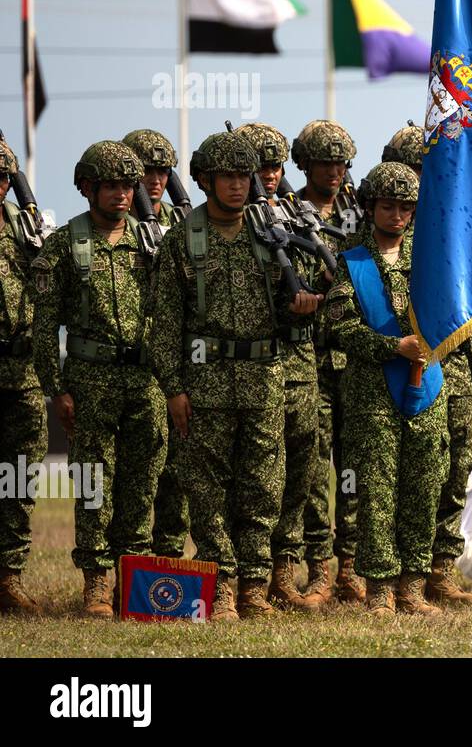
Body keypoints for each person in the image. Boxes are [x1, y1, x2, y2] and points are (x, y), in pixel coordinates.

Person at [148, 131, 321, 620]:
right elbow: (165, 326)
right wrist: (174, 390)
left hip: (264, 377)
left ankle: (254, 585)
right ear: (204, 180)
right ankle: (220, 584)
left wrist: (302, 308)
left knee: (262, 484)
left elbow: (292, 319)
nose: (238, 186)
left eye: (244, 176)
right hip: (205, 384)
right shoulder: (183, 238)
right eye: (227, 176)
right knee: (206, 487)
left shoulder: (271, 238)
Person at [31, 141, 166, 618]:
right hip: (90, 379)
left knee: (141, 481)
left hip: (145, 379)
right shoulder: (65, 244)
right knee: (93, 482)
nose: (122, 194)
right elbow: (45, 326)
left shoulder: (154, 241)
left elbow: (172, 315)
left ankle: (137, 581)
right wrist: (56, 388)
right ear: (88, 188)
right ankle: (96, 583)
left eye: (128, 186)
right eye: (110, 185)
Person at [324, 162, 450, 616]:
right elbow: (338, 328)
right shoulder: (351, 261)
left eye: (405, 207)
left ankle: (412, 588)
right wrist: (392, 346)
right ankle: (379, 589)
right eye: (387, 206)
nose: (396, 215)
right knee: (376, 491)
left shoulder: (432, 260)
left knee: (423, 486)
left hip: (428, 389)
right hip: (373, 393)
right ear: (370, 208)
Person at [234, 122, 326, 609]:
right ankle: (242, 576)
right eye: (258, 167)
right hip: (251, 365)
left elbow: (325, 276)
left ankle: (282, 572)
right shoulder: (228, 221)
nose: (268, 176)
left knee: (302, 470)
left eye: (274, 166)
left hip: (302, 359)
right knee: (254, 474)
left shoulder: (297, 215)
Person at [291, 120, 365, 605]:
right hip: (310, 357)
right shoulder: (287, 214)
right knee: (316, 469)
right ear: (306, 164)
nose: (335, 171)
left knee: (356, 467)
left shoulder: (361, 212)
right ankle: (319, 568)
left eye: (341, 163)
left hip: (357, 356)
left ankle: (354, 566)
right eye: (325, 162)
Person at [122, 129, 192, 561]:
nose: (155, 179)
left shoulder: (185, 224)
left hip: (180, 362)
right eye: (147, 170)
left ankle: (167, 564)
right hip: (131, 366)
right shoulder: (112, 224)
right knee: (136, 474)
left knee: (178, 473)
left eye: (163, 170)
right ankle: (129, 565)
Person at [0, 140, 45, 614]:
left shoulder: (25, 225)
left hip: (22, 368)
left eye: (3, 178)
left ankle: (8, 578)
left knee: (17, 479)